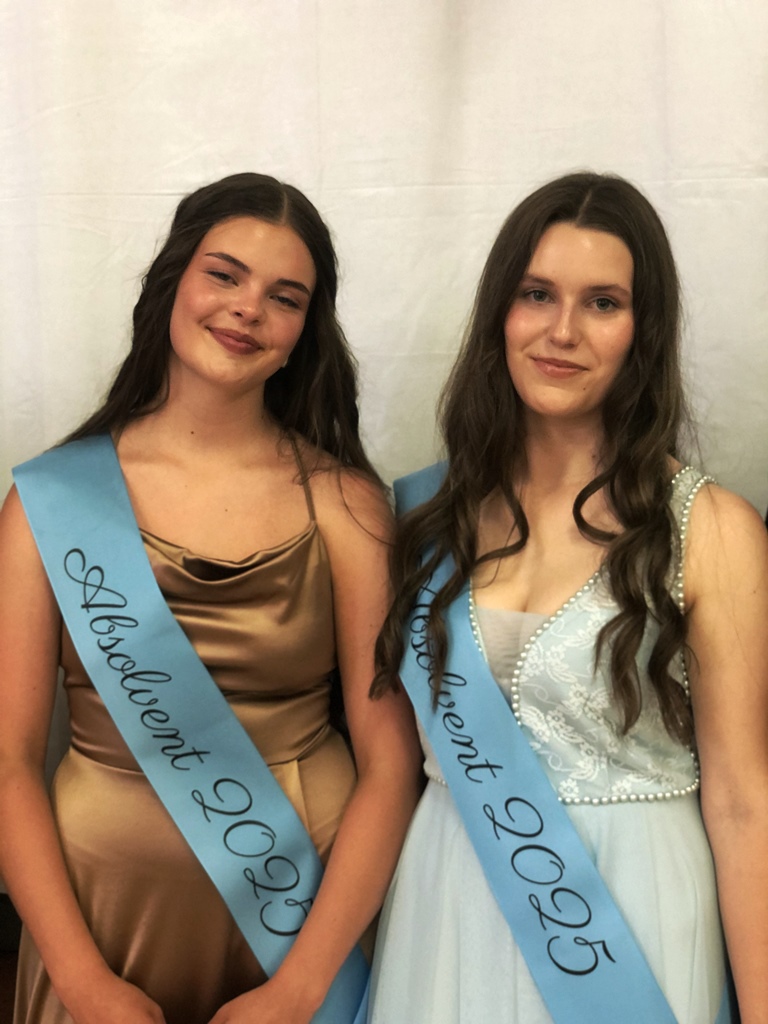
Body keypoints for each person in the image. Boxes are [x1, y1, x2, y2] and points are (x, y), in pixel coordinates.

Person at [0, 172, 423, 1024]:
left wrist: (301, 989)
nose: (247, 309)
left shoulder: (347, 507)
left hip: (302, 921)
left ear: (305, 331)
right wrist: (82, 983)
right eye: (224, 275)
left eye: (285, 297)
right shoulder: (49, 501)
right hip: (96, 921)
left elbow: (391, 767)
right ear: (173, 281)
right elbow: (8, 763)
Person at [367, 172, 768, 1023]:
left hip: (636, 915)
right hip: (448, 896)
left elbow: (743, 802)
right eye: (537, 294)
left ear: (642, 331)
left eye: (603, 304)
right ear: (499, 313)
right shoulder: (427, 519)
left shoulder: (711, 529)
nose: (562, 331)